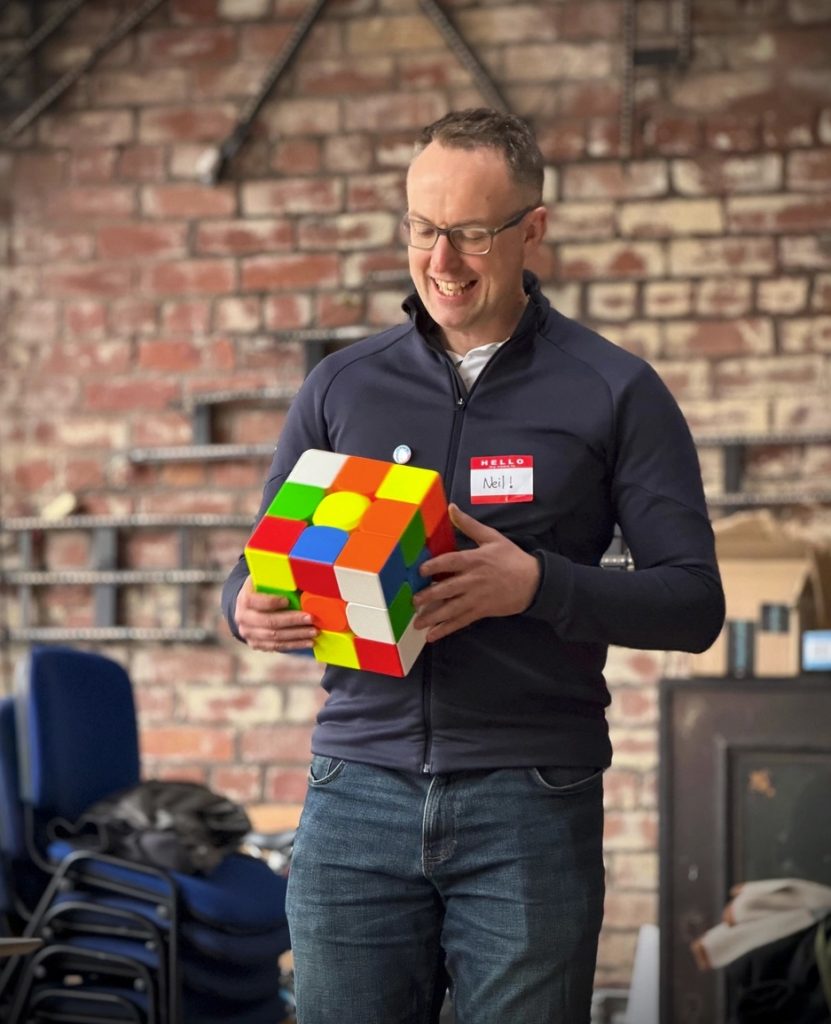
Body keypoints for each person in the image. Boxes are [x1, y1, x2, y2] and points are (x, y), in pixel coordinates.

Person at [222, 108, 725, 1024]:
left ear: (532, 228)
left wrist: (538, 585)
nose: (441, 262)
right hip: (353, 797)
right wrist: (244, 609)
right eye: (422, 229)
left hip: (530, 802)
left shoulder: (614, 390)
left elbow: (692, 604)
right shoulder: (342, 385)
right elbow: (261, 563)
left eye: (470, 234)